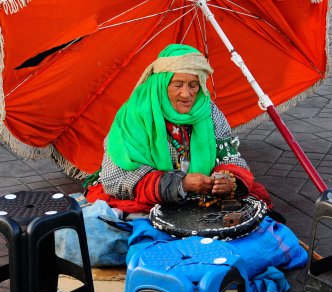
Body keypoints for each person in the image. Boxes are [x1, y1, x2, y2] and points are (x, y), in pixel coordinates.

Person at [86, 43, 273, 218]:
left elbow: (230, 156)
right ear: (161, 84)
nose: (186, 94)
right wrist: (180, 184)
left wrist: (228, 179)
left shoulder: (208, 111)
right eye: (177, 85)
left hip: (202, 200)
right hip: (152, 202)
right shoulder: (135, 115)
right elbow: (116, 179)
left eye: (193, 85)